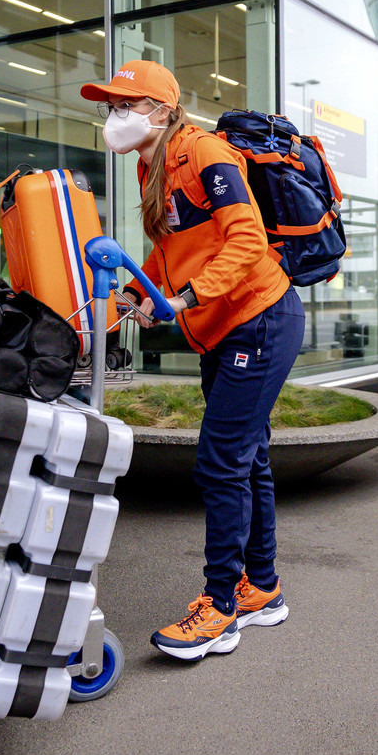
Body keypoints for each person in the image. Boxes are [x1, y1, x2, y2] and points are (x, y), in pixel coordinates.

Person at [81, 60, 305, 661]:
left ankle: (220, 610)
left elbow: (247, 240)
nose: (114, 117)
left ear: (159, 110)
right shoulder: (149, 164)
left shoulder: (206, 154)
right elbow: (169, 248)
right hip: (223, 329)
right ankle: (261, 588)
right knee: (247, 458)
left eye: (123, 105)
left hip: (258, 317)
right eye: (109, 107)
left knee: (218, 461)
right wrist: (137, 293)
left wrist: (187, 297)